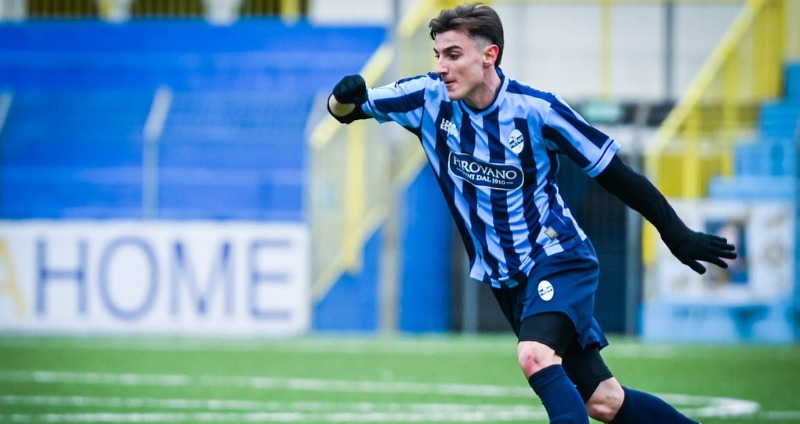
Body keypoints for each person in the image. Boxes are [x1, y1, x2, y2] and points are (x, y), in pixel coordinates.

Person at [327, 3, 737, 423]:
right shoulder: (425, 97)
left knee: (535, 356)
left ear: (490, 55)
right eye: (438, 55)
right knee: (603, 401)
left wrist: (675, 233)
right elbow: (345, 111)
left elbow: (616, 175)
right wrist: (341, 97)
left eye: (453, 55)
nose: (442, 66)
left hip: (558, 256)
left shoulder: (538, 111)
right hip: (506, 277)